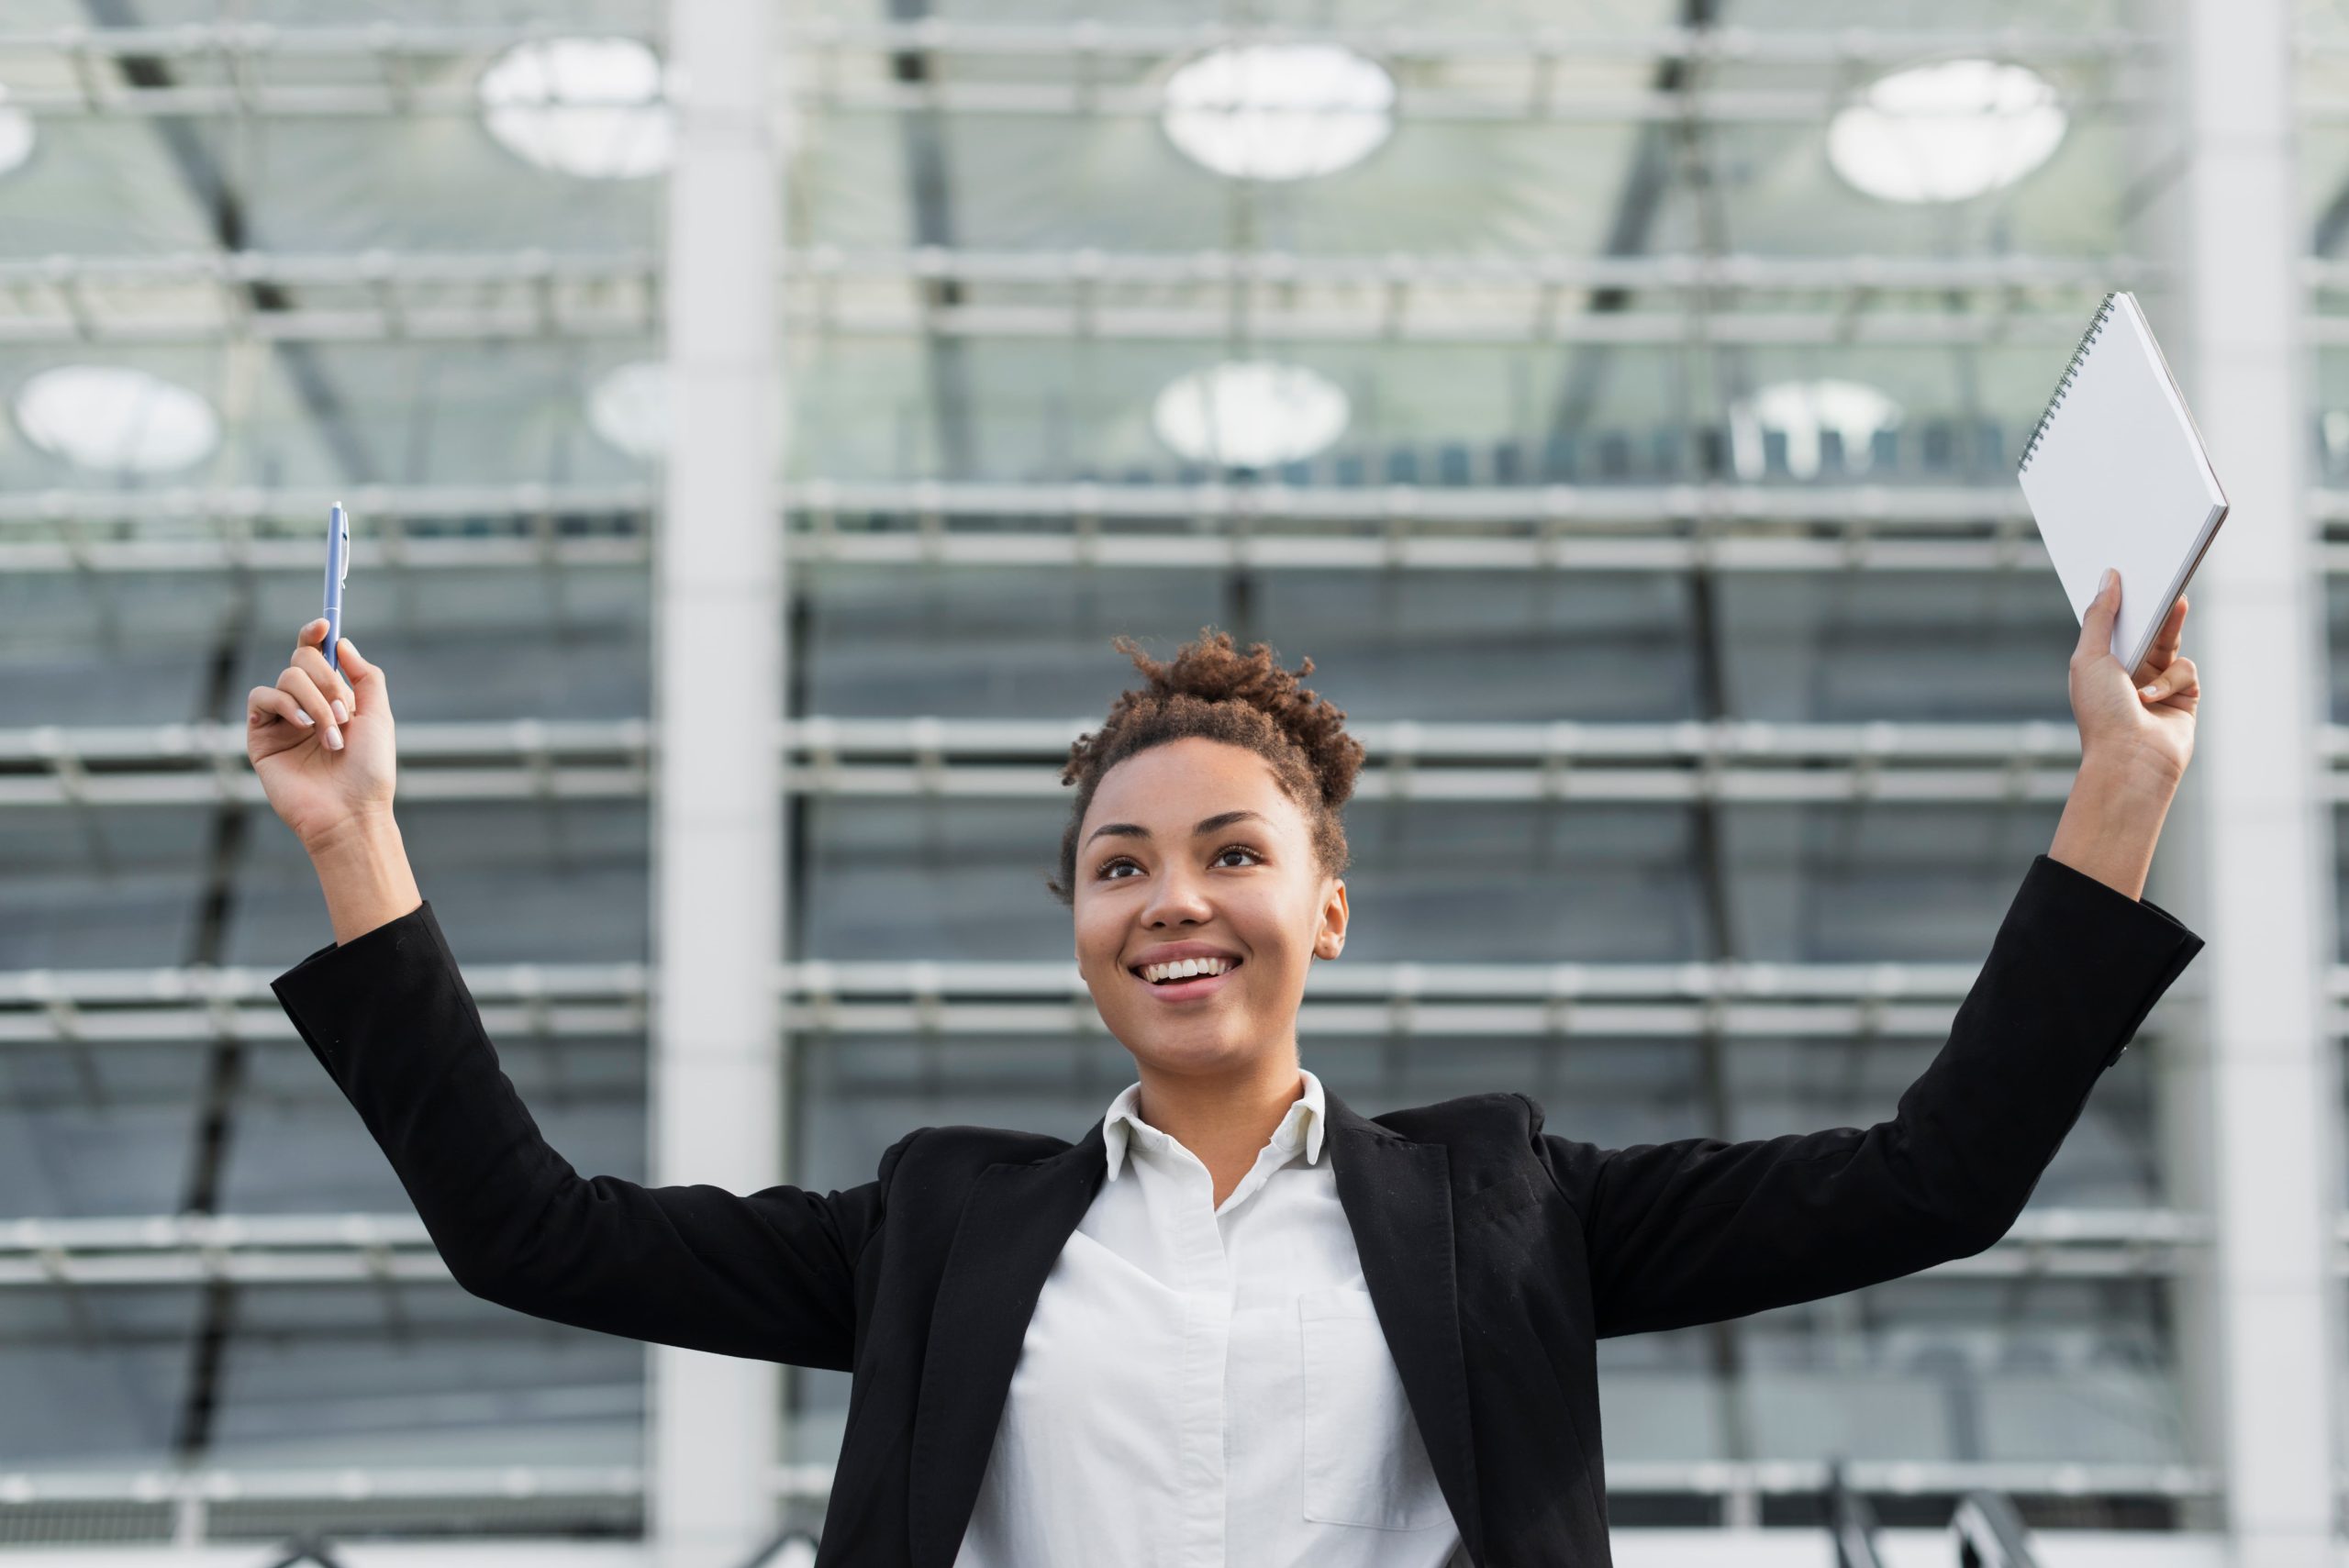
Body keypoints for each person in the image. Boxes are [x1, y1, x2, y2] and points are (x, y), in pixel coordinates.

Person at [249, 568, 2205, 1568]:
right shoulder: (940, 1225)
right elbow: (530, 1232)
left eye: (1229, 853)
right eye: (1119, 865)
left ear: (1323, 911)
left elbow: (1931, 1178)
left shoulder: (1506, 1203)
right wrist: (354, 839)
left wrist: (2118, 784)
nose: (1170, 900)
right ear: (1081, 928)